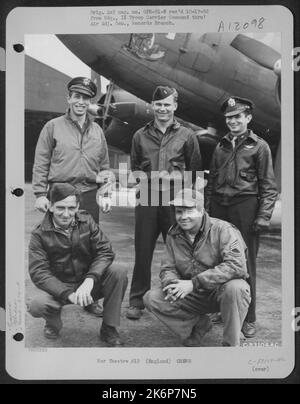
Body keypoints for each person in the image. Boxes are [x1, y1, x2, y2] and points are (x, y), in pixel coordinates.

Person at [32, 76, 112, 316]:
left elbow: (105, 166)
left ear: (90, 102)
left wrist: (107, 191)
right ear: (68, 98)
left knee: (88, 247)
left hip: (88, 194)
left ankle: (89, 298)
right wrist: (38, 193)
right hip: (59, 194)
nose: (81, 102)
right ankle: (54, 302)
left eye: (85, 98)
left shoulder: (97, 130)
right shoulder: (53, 126)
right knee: (56, 248)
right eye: (76, 96)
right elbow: (41, 161)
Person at [127, 86, 202, 320]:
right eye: (158, 104)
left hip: (175, 201)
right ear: (152, 105)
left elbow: (195, 173)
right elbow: (134, 171)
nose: (162, 109)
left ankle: (185, 300)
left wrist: (175, 181)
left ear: (175, 106)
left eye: (167, 104)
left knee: (180, 251)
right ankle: (137, 300)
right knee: (143, 250)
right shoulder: (140, 135)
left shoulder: (187, 135)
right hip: (148, 198)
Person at [205, 96, 278, 338]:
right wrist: (207, 212)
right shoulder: (220, 146)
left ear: (248, 118)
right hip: (219, 208)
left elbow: (268, 186)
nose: (233, 121)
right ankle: (220, 310)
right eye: (229, 117)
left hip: (245, 208)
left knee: (246, 265)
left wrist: (263, 217)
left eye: (237, 117)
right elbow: (212, 181)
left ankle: (249, 317)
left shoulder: (260, 146)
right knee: (218, 261)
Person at [144, 189, 251, 347]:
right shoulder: (173, 233)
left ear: (201, 210)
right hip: (192, 293)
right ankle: (199, 325)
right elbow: (167, 267)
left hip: (220, 292)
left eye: (189, 211)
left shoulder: (223, 230)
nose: (183, 216)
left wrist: (194, 283)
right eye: (179, 212)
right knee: (152, 298)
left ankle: (231, 345)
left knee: (236, 288)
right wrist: (171, 284)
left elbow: (236, 265)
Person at [27, 183, 128, 346]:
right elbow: (39, 273)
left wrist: (90, 280)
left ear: (78, 206)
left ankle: (109, 327)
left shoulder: (86, 220)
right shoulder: (39, 234)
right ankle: (53, 323)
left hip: (87, 285)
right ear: (50, 206)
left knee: (118, 270)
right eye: (60, 208)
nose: (66, 214)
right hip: (59, 288)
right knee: (35, 304)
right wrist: (67, 294)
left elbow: (105, 251)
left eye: (71, 208)